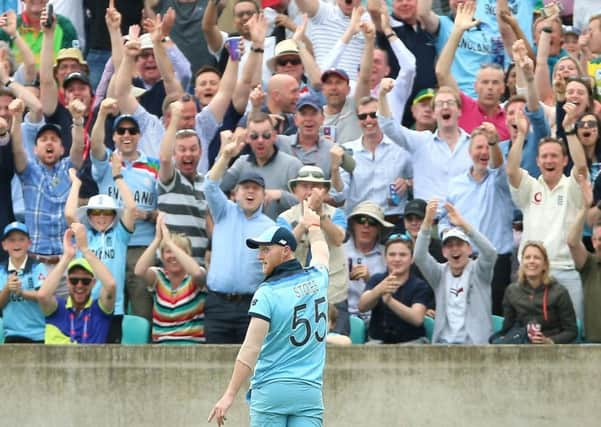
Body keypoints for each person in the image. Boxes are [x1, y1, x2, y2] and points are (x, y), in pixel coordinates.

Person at [208, 213, 330, 427]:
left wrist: (229, 395)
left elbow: (251, 349)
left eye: (266, 249)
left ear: (285, 251)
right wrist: (314, 225)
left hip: (272, 389)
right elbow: (321, 251)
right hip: (309, 391)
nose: (259, 256)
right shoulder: (319, 277)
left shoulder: (267, 292)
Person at [506, 99, 588, 323]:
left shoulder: (572, 187)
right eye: (544, 156)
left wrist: (570, 130)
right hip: (532, 273)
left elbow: (581, 168)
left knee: (572, 338)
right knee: (529, 340)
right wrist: (521, 135)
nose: (549, 160)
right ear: (537, 161)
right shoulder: (531, 186)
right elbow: (511, 171)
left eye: (554, 156)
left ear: (564, 160)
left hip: (565, 270)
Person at [202, 132, 274, 344]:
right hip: (218, 304)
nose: (250, 192)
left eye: (256, 189)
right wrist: (225, 156)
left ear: (264, 195)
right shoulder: (224, 211)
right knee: (213, 366)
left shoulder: (270, 228)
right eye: (245, 188)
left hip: (252, 306)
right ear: (235, 193)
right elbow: (209, 186)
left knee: (250, 366)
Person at [438, 123, 513, 316]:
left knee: (493, 315)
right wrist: (447, 233)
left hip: (497, 262)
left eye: (488, 147)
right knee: (462, 315)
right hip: (463, 260)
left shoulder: (501, 180)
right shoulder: (456, 185)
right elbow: (444, 219)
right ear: (469, 152)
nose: (484, 151)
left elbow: (498, 166)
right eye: (479, 147)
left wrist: (494, 142)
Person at [65, 153, 136, 343]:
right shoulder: (85, 236)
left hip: (115, 307)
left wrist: (117, 176)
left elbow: (131, 208)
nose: (101, 216)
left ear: (114, 216)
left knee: (111, 364)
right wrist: (76, 185)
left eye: (107, 212)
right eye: (96, 212)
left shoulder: (120, 235)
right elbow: (69, 214)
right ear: (89, 215)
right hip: (86, 306)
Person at [277, 165, 349, 335]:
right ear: (295, 190)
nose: (309, 191)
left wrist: (320, 216)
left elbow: (339, 238)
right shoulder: (284, 218)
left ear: (324, 191)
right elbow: (283, 249)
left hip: (333, 293)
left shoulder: (337, 214)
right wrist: (304, 222)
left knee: (338, 349)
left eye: (315, 186)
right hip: (297, 294)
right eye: (304, 186)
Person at [415, 200, 497, 344]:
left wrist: (464, 226)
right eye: (449, 245)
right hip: (444, 345)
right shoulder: (439, 274)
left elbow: (490, 253)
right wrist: (427, 222)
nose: (454, 249)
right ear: (443, 252)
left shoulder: (479, 271)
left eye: (459, 244)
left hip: (476, 346)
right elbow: (419, 257)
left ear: (469, 249)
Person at [37, 223, 116, 344]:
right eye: (74, 280)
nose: (79, 285)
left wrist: (85, 250)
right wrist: (67, 257)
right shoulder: (58, 308)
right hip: (58, 362)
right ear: (68, 281)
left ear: (93, 283)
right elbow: (42, 295)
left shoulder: (99, 310)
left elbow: (110, 285)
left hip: (92, 362)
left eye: (85, 281)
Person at [135, 215, 207, 344]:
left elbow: (196, 273)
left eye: (179, 251)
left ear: (187, 255)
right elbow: (139, 271)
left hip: (192, 347)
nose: (173, 256)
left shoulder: (195, 275)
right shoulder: (159, 276)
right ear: (162, 256)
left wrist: (169, 243)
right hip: (161, 347)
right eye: (168, 251)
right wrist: (158, 240)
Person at [340, 95, 411, 222]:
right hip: (358, 219)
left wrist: (407, 183)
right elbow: (340, 193)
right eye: (362, 116)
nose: (368, 120)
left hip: (392, 217)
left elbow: (423, 178)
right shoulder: (348, 150)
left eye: (374, 115)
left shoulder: (401, 147)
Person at [220, 112, 302, 220]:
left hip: (280, 233)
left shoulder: (292, 165)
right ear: (248, 138)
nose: (260, 140)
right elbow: (216, 187)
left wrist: (281, 195)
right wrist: (224, 155)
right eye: (254, 136)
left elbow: (306, 205)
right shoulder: (242, 163)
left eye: (266, 135)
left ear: (274, 136)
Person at [359, 234, 433, 344]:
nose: (397, 259)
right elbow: (362, 306)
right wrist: (379, 290)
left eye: (403, 255)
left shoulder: (420, 285)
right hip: (378, 342)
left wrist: (390, 301)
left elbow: (417, 319)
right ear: (385, 258)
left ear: (412, 259)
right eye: (392, 255)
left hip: (412, 343)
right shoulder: (376, 280)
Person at [501, 241, 578, 344]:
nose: (531, 261)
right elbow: (507, 328)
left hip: (553, 349)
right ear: (522, 263)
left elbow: (571, 331)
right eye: (527, 257)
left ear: (545, 265)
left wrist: (549, 341)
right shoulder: (512, 291)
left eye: (536, 258)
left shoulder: (559, 292)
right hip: (522, 346)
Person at [344, 201, 392, 320]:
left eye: (372, 222)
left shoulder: (389, 254)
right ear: (353, 225)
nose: (366, 226)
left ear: (379, 228)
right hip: (344, 316)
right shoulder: (338, 252)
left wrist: (370, 281)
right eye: (361, 220)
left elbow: (395, 294)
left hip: (378, 317)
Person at [0, 222, 47, 343]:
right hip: (11, 334)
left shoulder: (38, 267)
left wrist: (22, 292)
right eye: (11, 240)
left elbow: (44, 296)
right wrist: (6, 289)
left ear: (29, 243)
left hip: (38, 334)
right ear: (4, 245)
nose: (17, 244)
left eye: (21, 239)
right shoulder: (1, 271)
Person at [568, 176, 601, 342]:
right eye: (599, 239)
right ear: (593, 242)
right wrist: (585, 207)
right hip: (593, 347)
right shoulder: (590, 265)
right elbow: (572, 242)